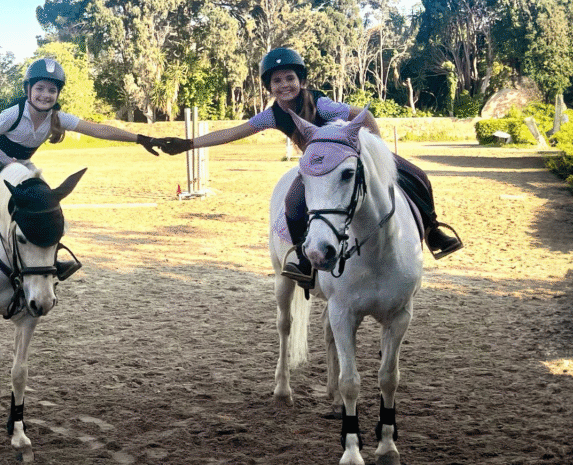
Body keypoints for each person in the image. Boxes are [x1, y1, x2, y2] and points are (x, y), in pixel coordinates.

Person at [157, 48, 462, 288]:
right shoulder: (272, 116)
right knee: (292, 204)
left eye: (289, 78)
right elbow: (232, 133)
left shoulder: (322, 105)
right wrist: (188, 144)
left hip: (351, 157)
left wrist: (379, 151)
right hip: (317, 169)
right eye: (277, 81)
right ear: (269, 87)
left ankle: (432, 231)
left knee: (418, 175)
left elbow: (364, 116)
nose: (284, 85)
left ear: (301, 81)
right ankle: (303, 260)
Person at [0, 57, 161, 264]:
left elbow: (99, 130)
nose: (45, 95)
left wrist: (141, 138)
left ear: (58, 94)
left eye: (52, 90)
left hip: (19, 167)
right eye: (40, 88)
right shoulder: (13, 114)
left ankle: (49, 258)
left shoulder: (58, 118)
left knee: (44, 203)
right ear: (28, 90)